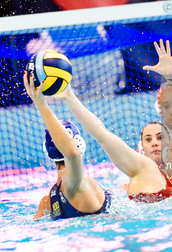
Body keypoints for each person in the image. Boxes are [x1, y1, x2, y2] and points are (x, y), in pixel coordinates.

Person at [46, 77, 172, 203]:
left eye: (160, 137)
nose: (154, 142)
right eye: (148, 140)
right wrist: (70, 97)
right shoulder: (143, 168)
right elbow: (103, 136)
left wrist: (170, 75)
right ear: (141, 150)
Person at [23, 72, 111, 220]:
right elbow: (72, 154)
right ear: (80, 143)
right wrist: (41, 104)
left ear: (47, 151)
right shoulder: (75, 183)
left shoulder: (47, 202)